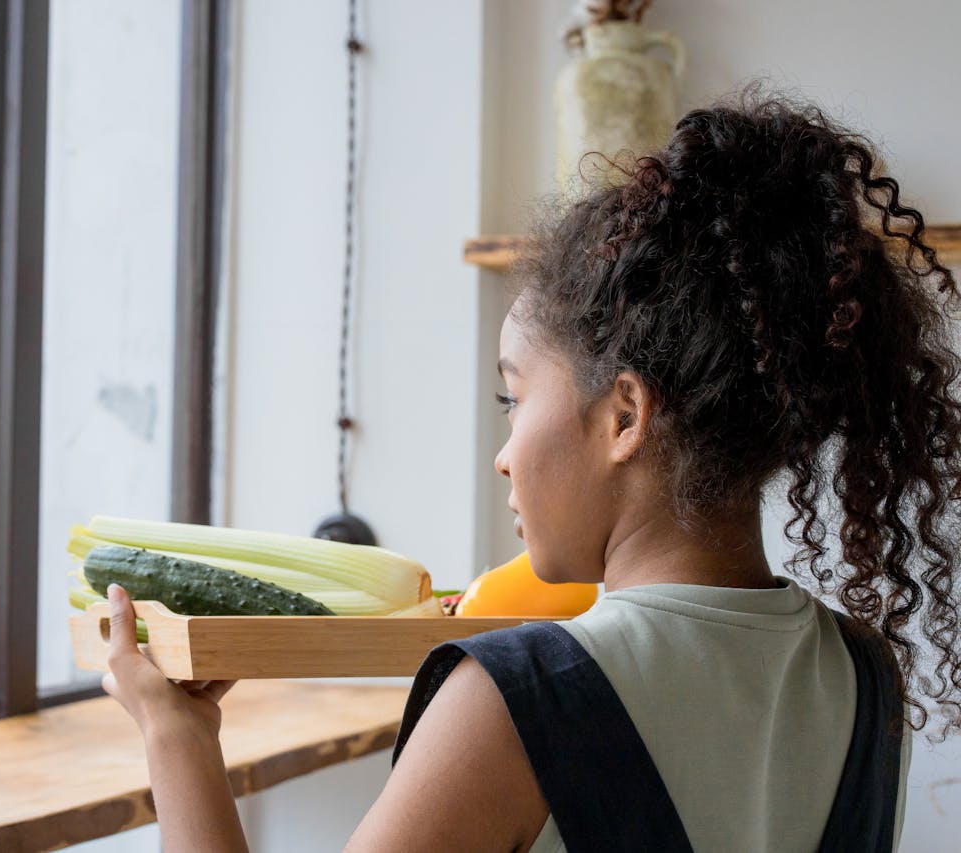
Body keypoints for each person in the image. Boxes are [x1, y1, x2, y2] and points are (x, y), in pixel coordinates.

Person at [99, 90, 961, 851]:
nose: (504, 454)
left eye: (513, 399)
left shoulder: (515, 700)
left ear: (624, 415)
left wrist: (178, 734)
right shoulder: (864, 677)